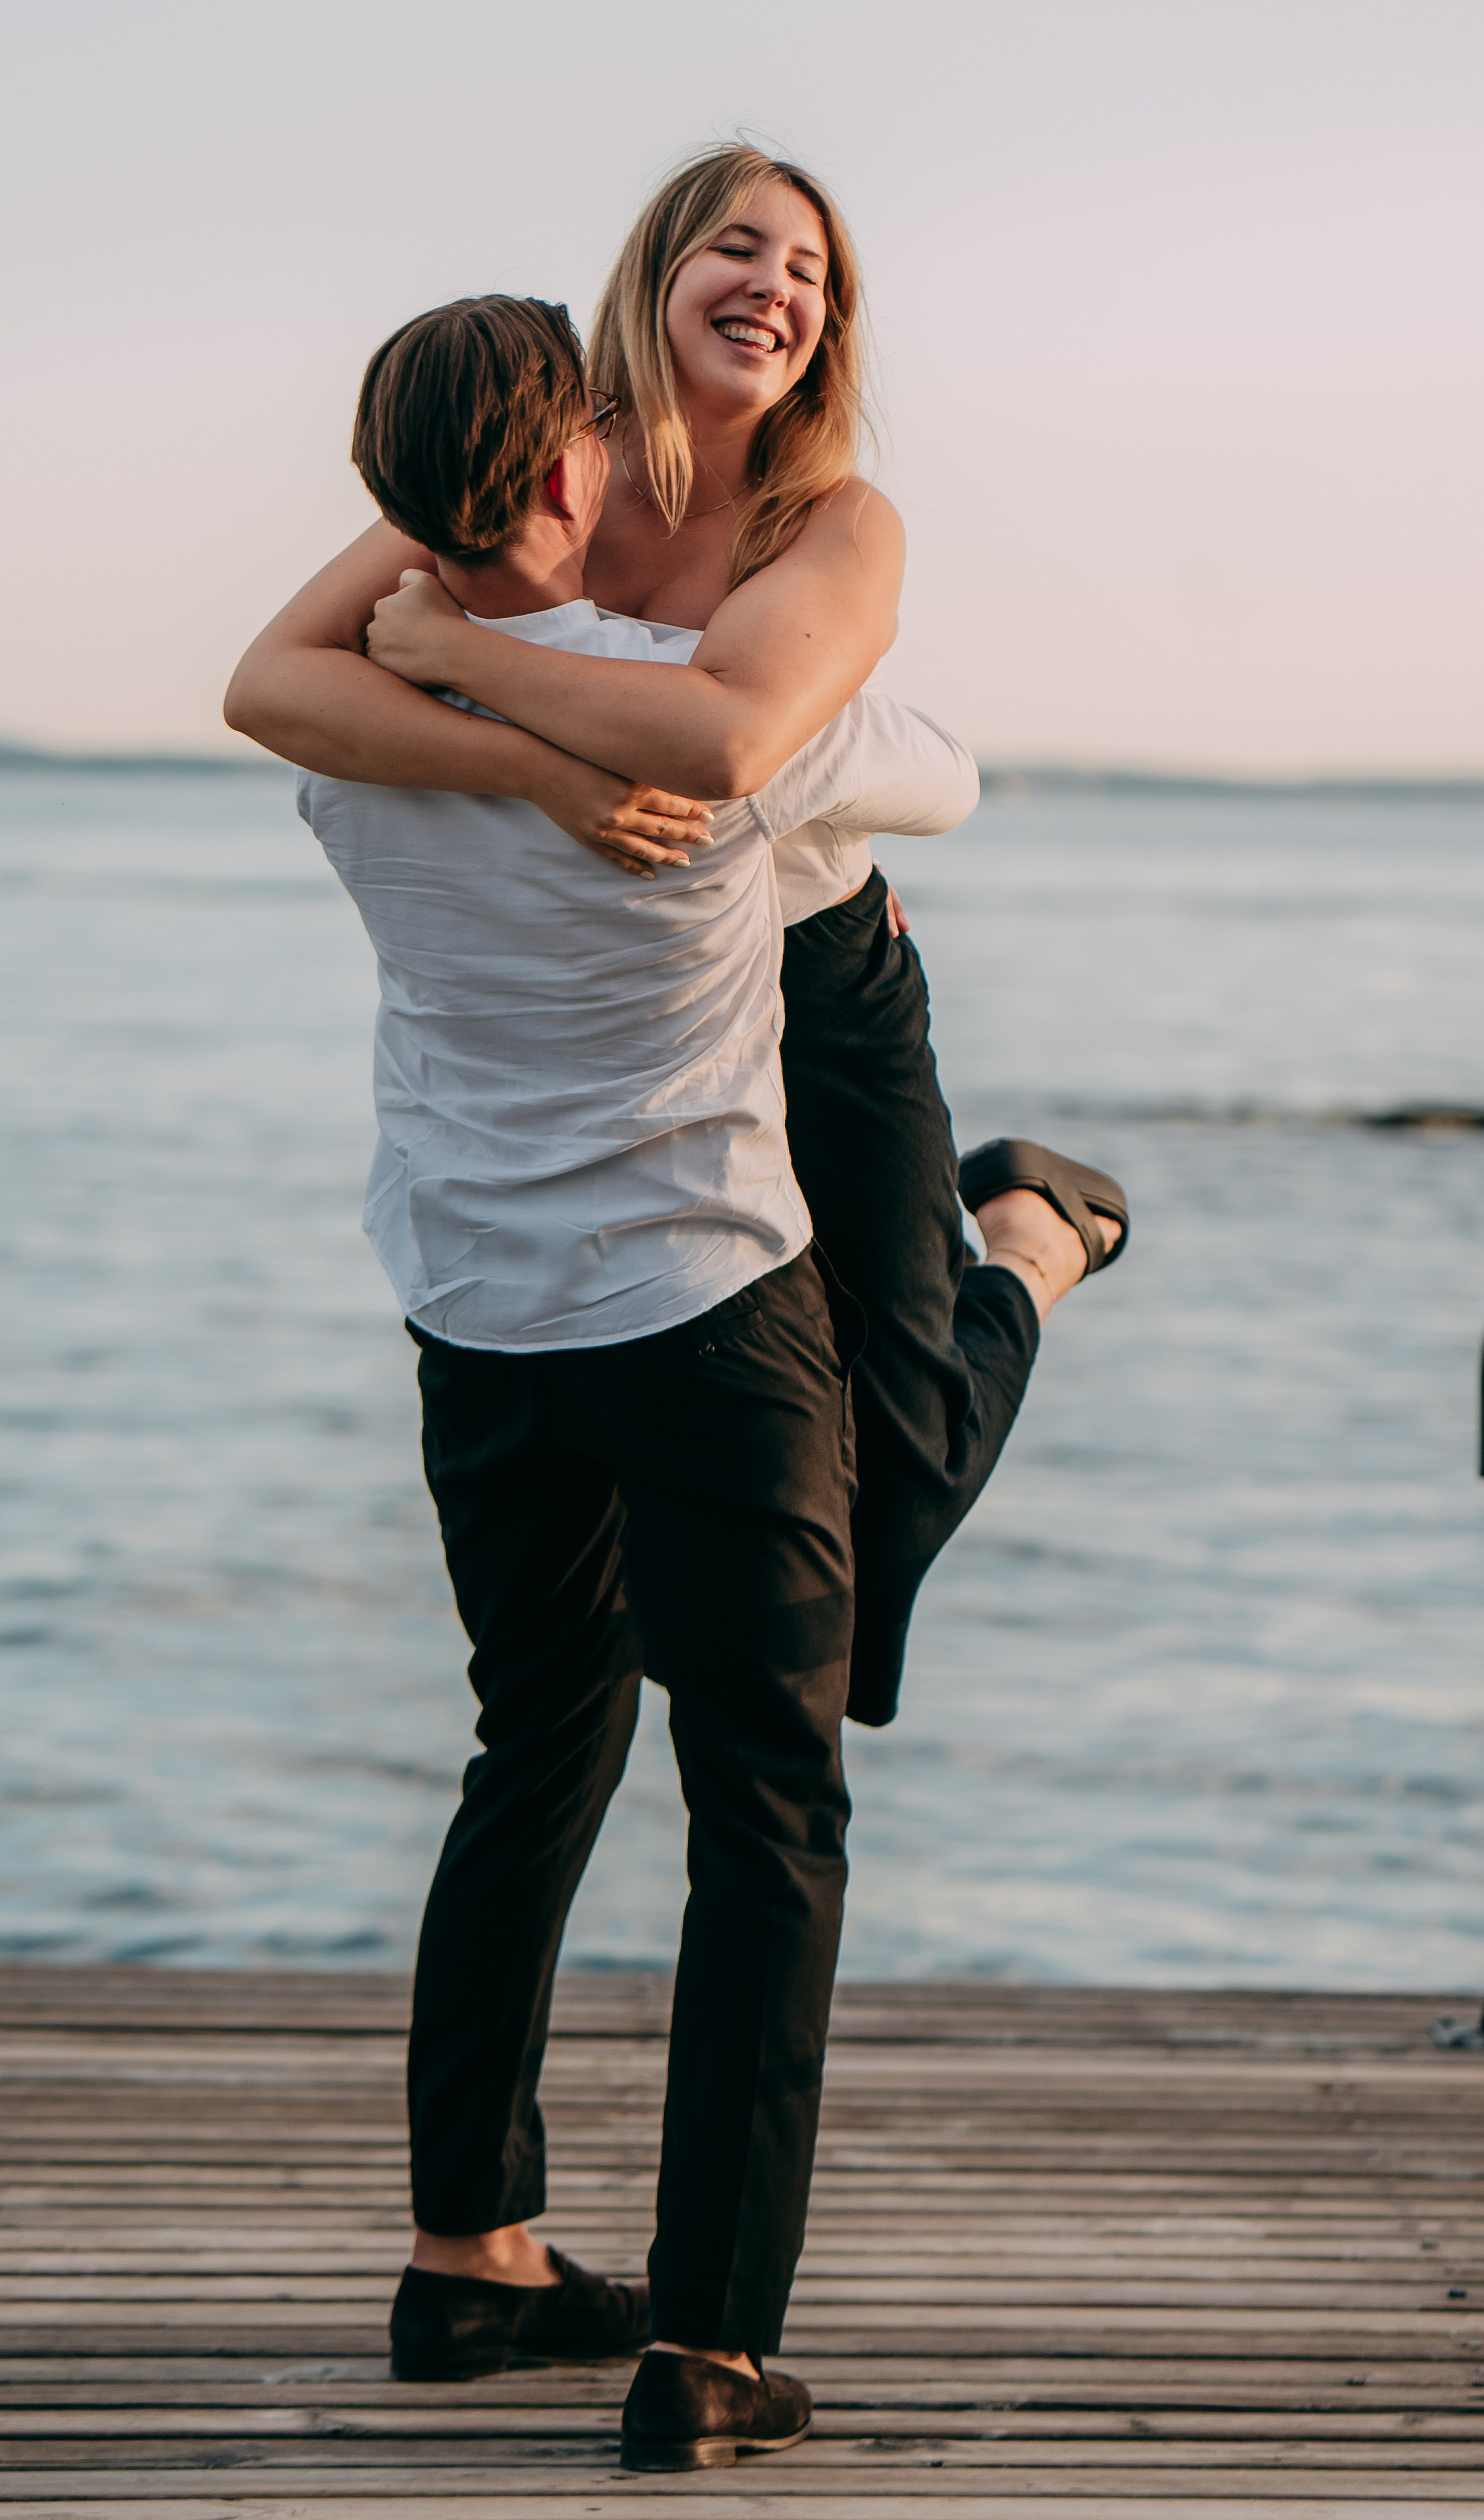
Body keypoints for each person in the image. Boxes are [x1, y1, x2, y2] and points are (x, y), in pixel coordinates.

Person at [263, 290, 1013, 2471]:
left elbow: (284, 667)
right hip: (705, 1318)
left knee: (534, 1750)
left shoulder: (351, 729)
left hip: (477, 1320)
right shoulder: (709, 726)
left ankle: (470, 2255)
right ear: (583, 471)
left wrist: (428, 619)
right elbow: (935, 775)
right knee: (766, 1815)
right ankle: (709, 2345)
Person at [225, 144, 1126, 1740]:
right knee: (730, 1522)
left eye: (811, 275)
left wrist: (455, 654)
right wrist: (543, 773)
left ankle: (1034, 1243)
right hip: (635, 1000)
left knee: (898, 1465)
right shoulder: (547, 450)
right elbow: (270, 689)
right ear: (652, 273)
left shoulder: (833, 523)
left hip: (821, 988)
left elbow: (732, 742)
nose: (775, 288)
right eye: (739, 248)